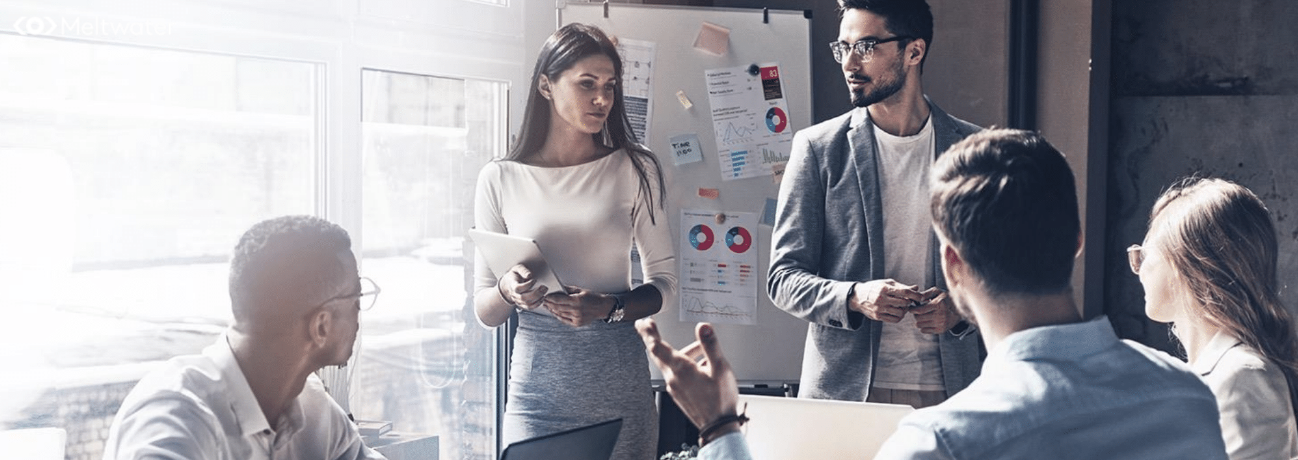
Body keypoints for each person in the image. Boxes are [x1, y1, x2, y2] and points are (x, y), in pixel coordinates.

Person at [642, 129, 1229, 460]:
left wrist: (721, 429)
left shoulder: (942, 445)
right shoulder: (1189, 400)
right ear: (1076, 241)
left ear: (953, 265)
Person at [471, 23, 676, 460]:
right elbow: (485, 311)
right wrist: (508, 289)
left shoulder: (636, 168)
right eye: (587, 84)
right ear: (546, 84)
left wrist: (609, 307)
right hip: (536, 397)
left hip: (621, 389)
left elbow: (665, 285)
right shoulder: (499, 177)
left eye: (610, 86)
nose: (602, 99)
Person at [767, 0, 980, 406]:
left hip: (950, 392)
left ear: (913, 52)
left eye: (865, 46)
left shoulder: (974, 150)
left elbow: (1000, 274)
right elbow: (782, 278)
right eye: (843, 48)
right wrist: (853, 296)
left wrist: (959, 309)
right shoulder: (817, 149)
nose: (849, 63)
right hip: (846, 395)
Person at [102, 215, 386, 459]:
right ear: (321, 326)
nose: (360, 310)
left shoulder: (312, 410)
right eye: (356, 297)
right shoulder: (175, 417)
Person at [1130, 177, 1298, 459]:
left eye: (1144, 255)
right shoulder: (1214, 372)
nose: (1139, 270)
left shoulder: (1243, 376)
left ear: (1185, 265)